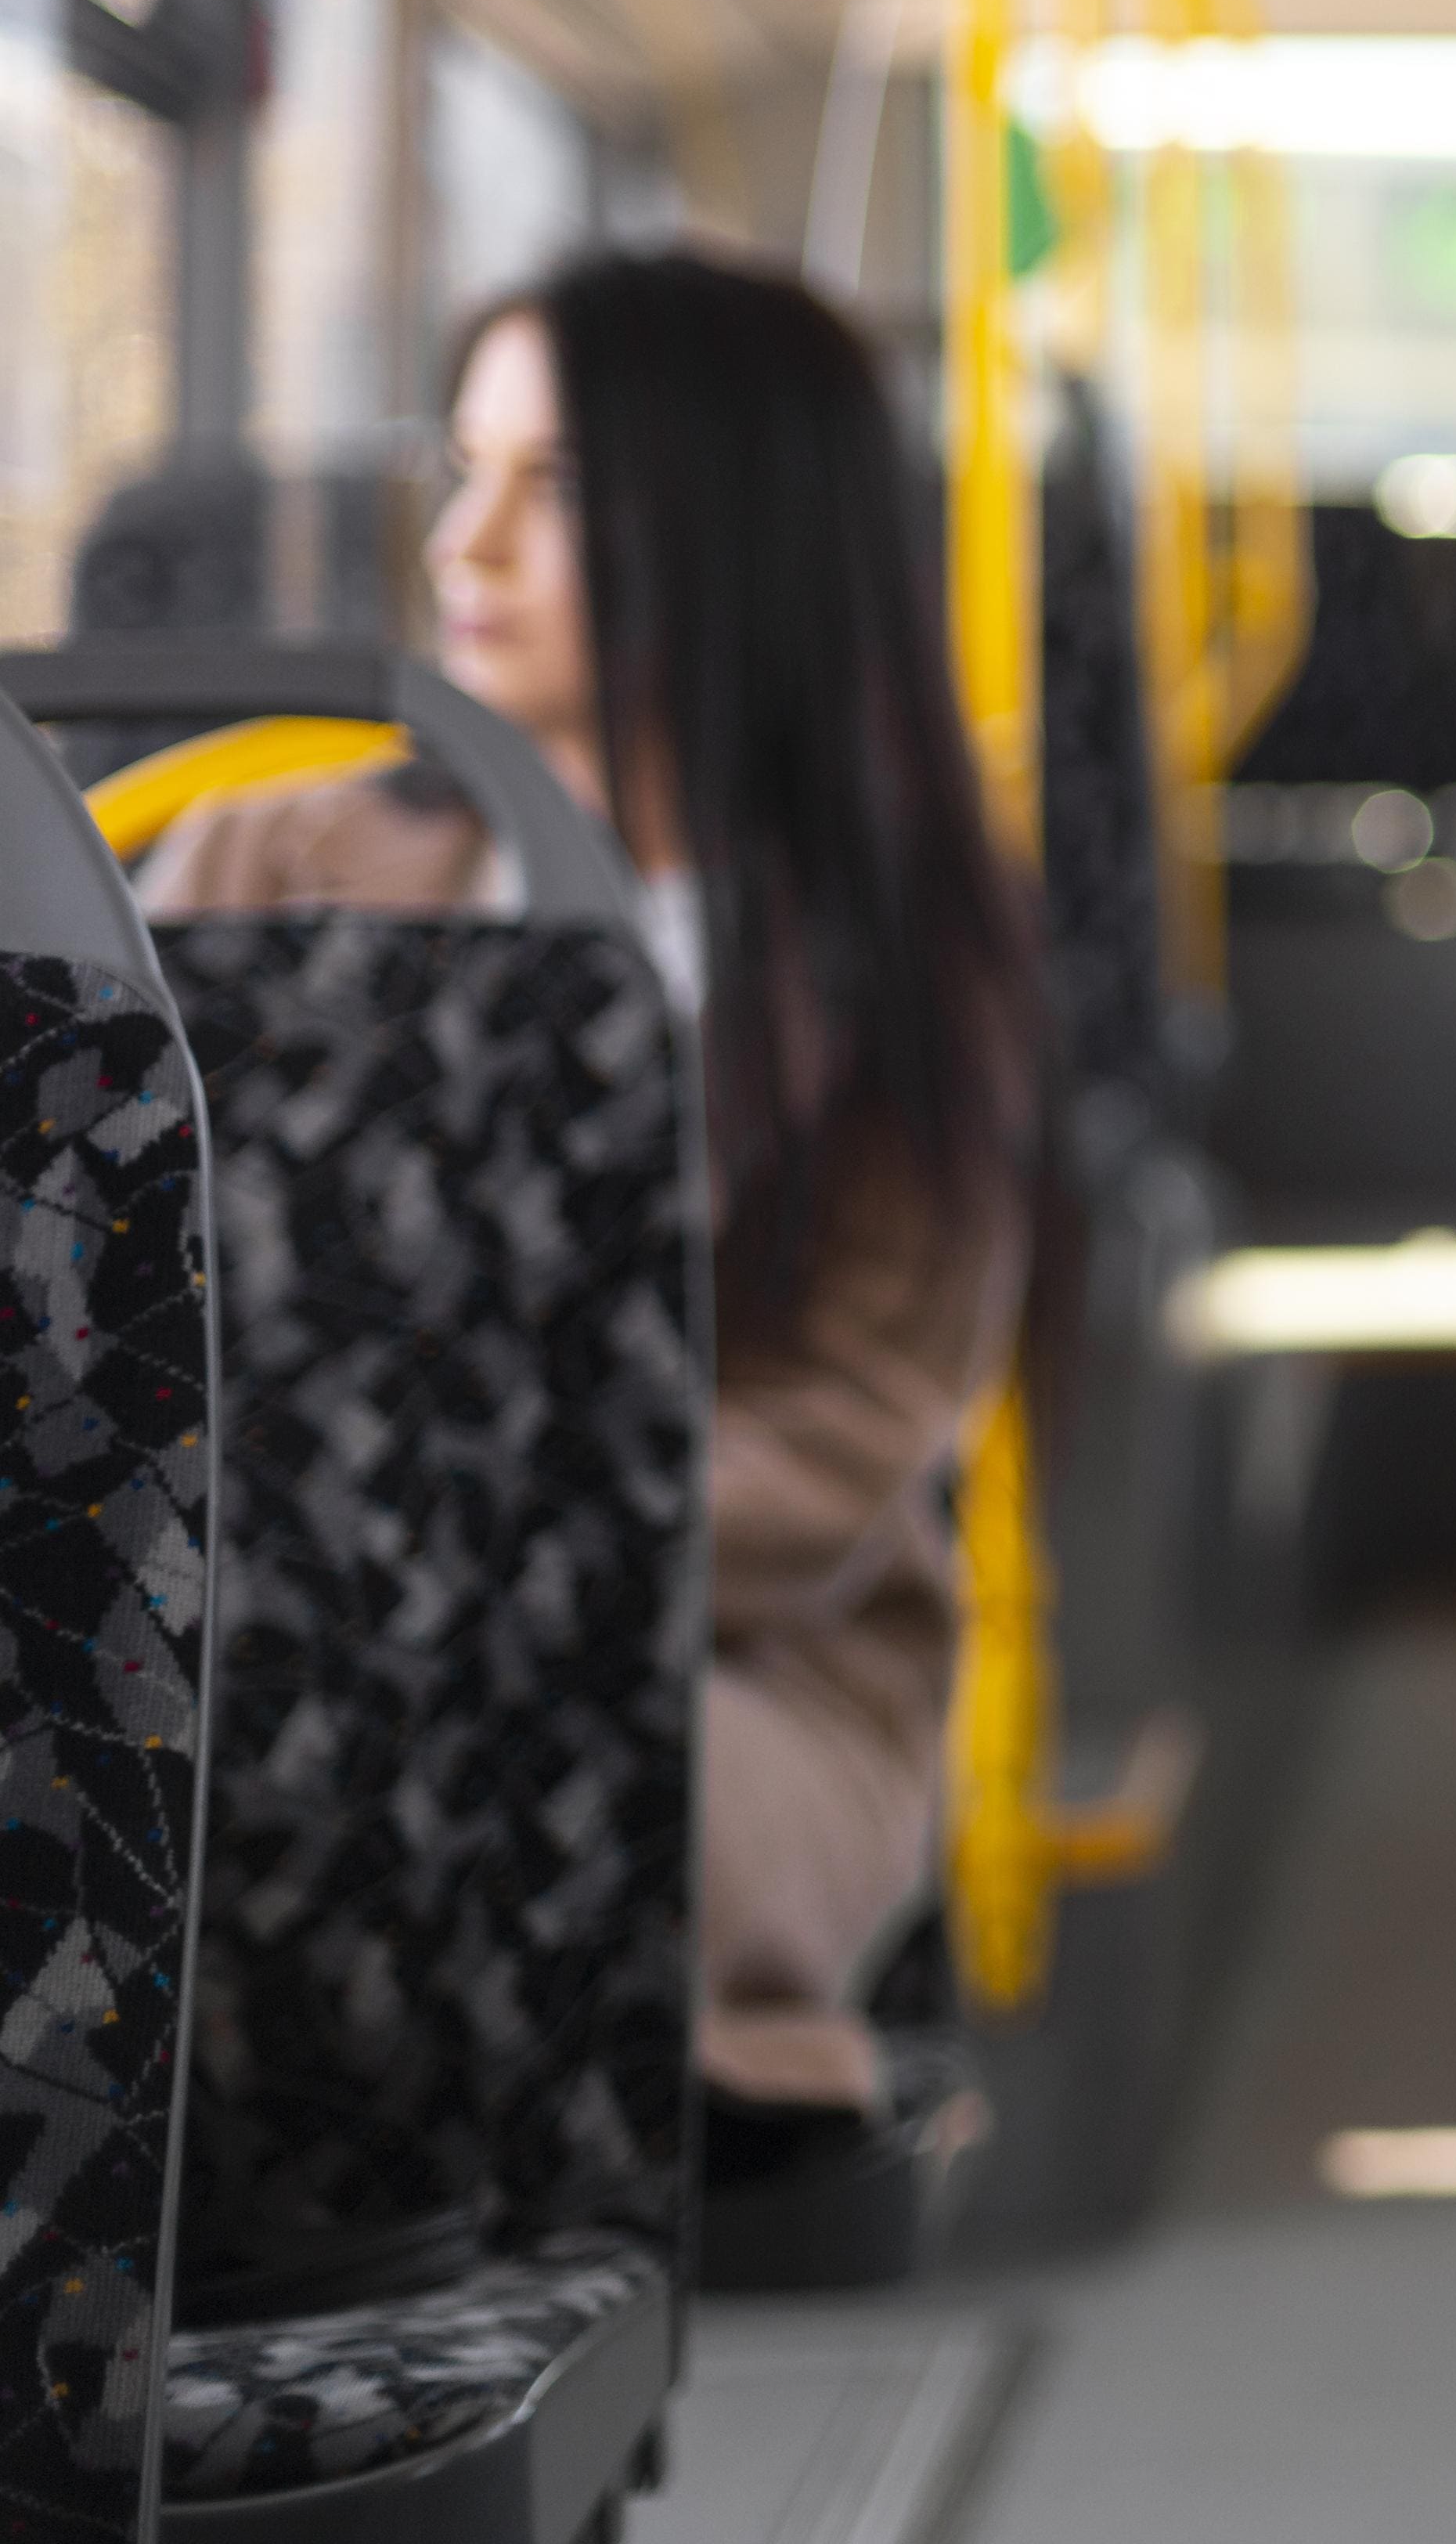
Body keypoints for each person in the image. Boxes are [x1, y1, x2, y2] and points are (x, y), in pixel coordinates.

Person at [151, 248, 1043, 2152]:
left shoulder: (893, 957)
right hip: (240, 1616)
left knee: (407, 1790)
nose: (466, 543)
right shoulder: (261, 858)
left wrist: (414, 1565)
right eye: (461, 468)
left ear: (740, 532)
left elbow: (837, 1445)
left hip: (727, 1667)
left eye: (553, 488)